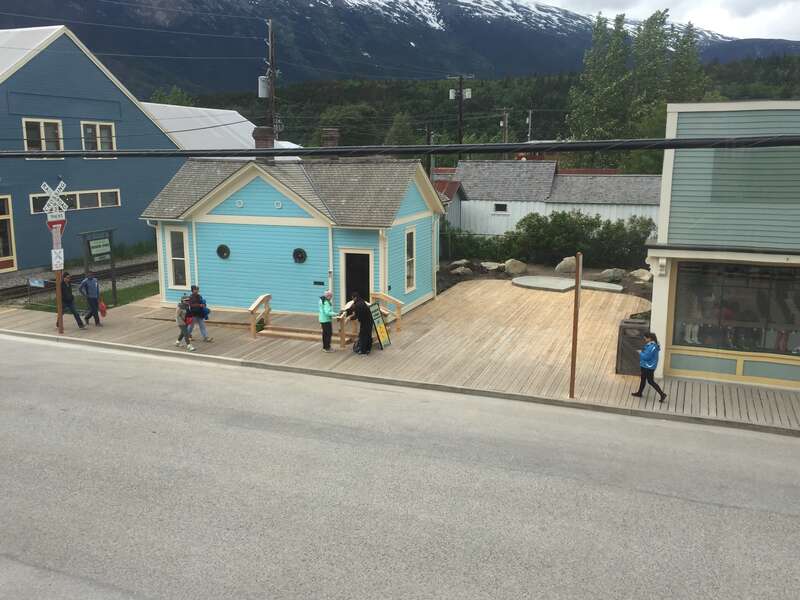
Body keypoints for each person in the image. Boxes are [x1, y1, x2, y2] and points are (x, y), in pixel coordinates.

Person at [632, 332, 667, 402]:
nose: (644, 339)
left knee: (650, 381)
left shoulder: (652, 347)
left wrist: (640, 353)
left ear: (649, 338)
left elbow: (646, 357)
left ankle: (662, 394)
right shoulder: (653, 345)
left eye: (645, 338)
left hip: (648, 367)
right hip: (647, 366)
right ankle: (639, 393)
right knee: (643, 379)